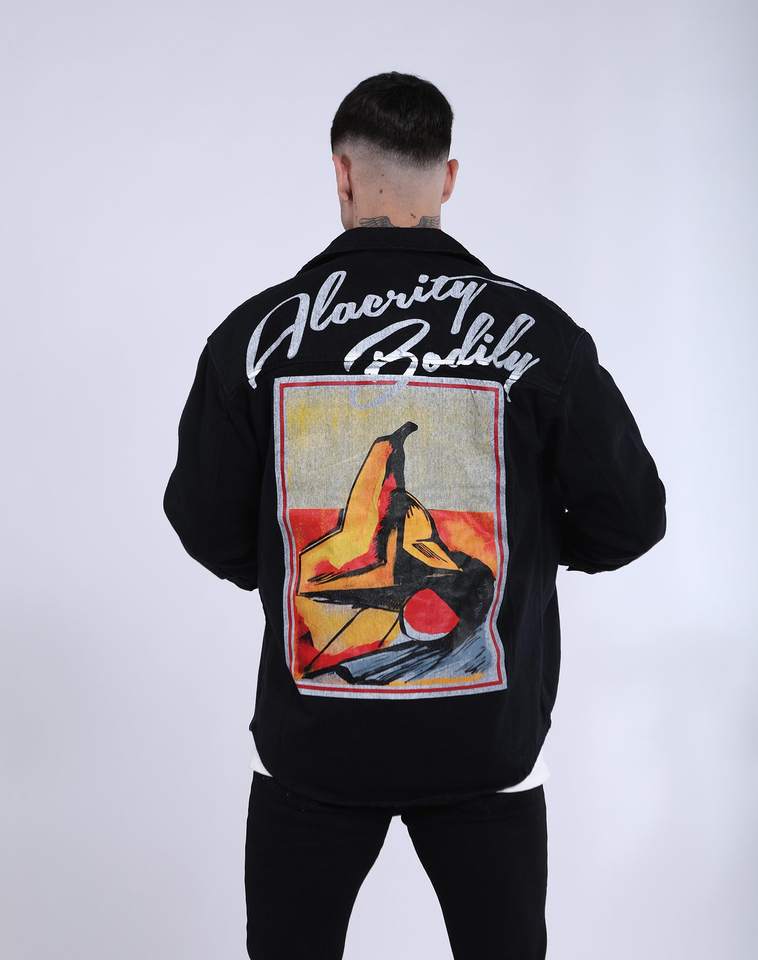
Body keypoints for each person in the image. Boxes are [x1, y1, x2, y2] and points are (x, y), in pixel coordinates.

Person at [163, 71, 666, 960]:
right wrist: (523, 556)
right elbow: (632, 517)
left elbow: (203, 521)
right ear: (449, 177)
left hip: (313, 746)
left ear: (342, 174)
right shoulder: (539, 335)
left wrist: (291, 569)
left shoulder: (253, 337)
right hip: (488, 745)